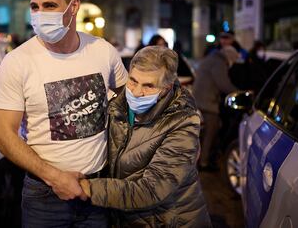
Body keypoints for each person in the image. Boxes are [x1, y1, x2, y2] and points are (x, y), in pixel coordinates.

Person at [0, 0, 128, 227]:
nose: (40, 14)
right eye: (35, 6)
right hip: (45, 196)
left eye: (50, 5)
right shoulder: (17, 62)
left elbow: (129, 102)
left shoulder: (102, 51)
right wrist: (55, 177)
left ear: (73, 6)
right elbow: (4, 136)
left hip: (97, 191)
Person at [79, 46, 212, 227]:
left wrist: (87, 188)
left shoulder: (183, 122)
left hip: (168, 221)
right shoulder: (116, 109)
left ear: (166, 88)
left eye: (149, 86)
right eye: (132, 81)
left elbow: (152, 190)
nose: (136, 92)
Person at [193, 46, 239, 170]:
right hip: (207, 101)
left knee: (210, 129)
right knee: (211, 131)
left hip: (199, 99)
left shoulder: (210, 58)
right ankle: (204, 162)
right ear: (230, 57)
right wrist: (237, 92)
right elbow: (223, 84)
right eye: (234, 60)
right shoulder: (219, 63)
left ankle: (203, 159)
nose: (233, 63)